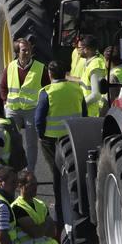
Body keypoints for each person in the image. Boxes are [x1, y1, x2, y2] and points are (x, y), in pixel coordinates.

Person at [35, 61, 85, 203]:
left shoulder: (47, 92)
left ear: (50, 74)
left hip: (51, 139)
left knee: (57, 173)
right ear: (65, 74)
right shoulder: (77, 88)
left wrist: (40, 135)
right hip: (73, 136)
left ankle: (61, 204)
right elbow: (84, 113)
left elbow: (39, 119)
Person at [2, 37, 41, 173]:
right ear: (17, 52)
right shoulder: (10, 67)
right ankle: (13, 170)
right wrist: (6, 103)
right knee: (11, 142)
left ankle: (30, 172)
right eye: (24, 50)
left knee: (31, 144)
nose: (27, 52)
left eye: (29, 50)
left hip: (31, 110)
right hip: (13, 109)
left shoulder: (40, 68)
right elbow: (3, 87)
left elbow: (47, 88)